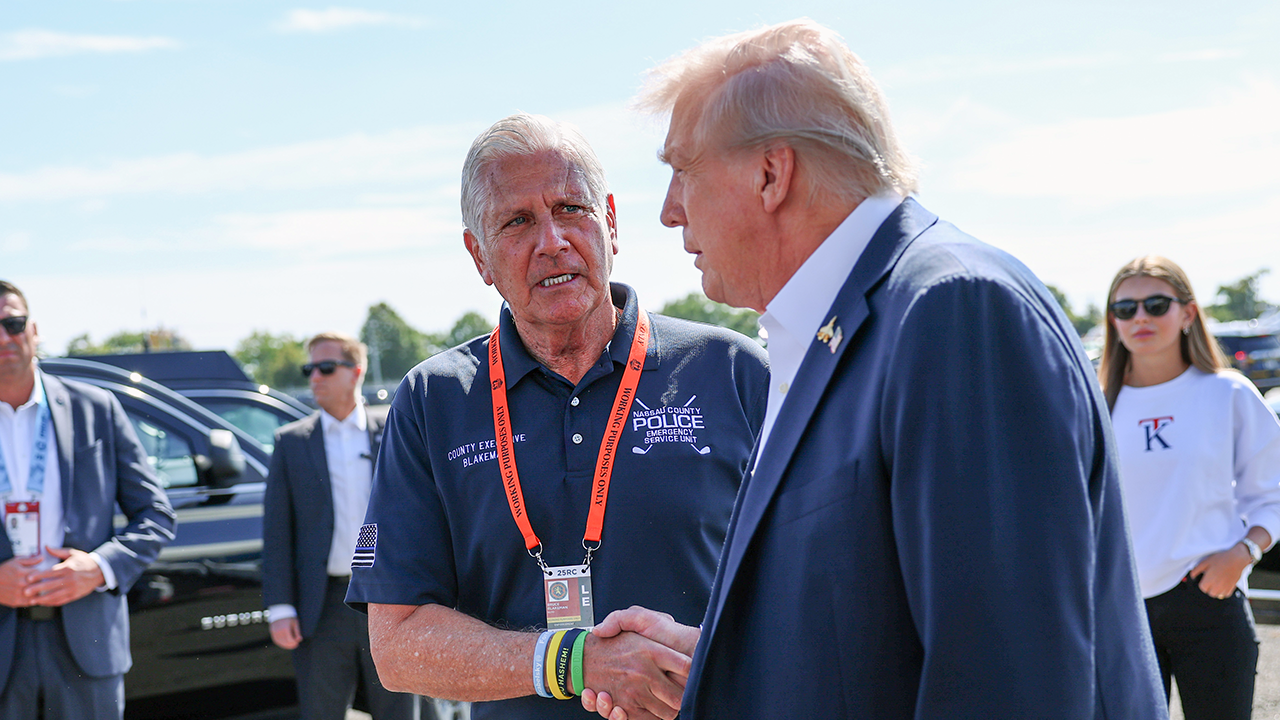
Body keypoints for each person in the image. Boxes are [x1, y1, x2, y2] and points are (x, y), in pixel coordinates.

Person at [583, 19, 1168, 720]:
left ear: (771, 174)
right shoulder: (847, 329)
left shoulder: (954, 313)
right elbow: (875, 632)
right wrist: (721, 666)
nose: (669, 211)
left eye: (683, 169)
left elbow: (1007, 680)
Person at [344, 112, 769, 720]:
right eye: (517, 221)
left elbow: (819, 585)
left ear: (611, 224)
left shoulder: (734, 371)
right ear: (479, 256)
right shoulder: (432, 400)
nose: (552, 241)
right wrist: (571, 661)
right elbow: (397, 646)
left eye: (571, 208)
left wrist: (706, 660)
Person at [1099, 256, 1280, 720]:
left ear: (1188, 313)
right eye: (1126, 308)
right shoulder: (1096, 406)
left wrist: (1244, 553)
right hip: (1120, 611)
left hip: (1208, 599)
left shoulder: (1228, 394)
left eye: (1156, 304)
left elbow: (1273, 493)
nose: (1140, 317)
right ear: (1113, 321)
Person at [0, 280, 176, 719]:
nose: (4, 337)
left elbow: (155, 514)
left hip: (85, 645)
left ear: (34, 329)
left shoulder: (96, 408)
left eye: (13, 323)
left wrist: (98, 567)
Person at [263, 332, 425, 720]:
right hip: (322, 605)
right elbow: (277, 532)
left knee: (401, 711)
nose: (314, 377)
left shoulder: (395, 431)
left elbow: (423, 517)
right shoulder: (291, 442)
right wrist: (280, 607)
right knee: (321, 711)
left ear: (356, 371)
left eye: (325, 367)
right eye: (309, 369)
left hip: (392, 597)